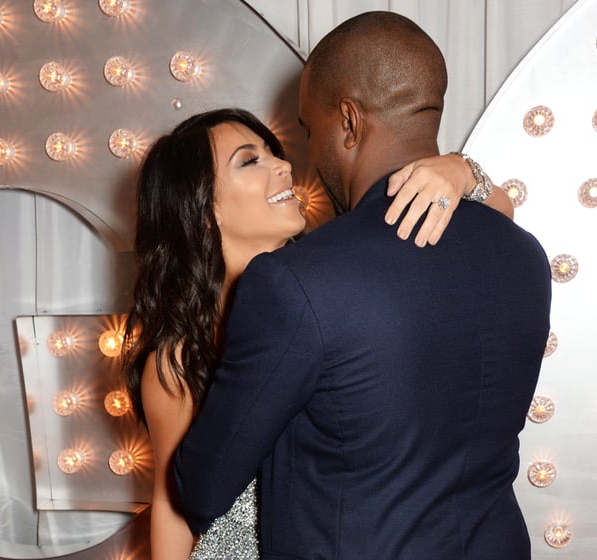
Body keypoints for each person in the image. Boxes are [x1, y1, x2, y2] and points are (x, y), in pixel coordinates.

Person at [173, 11, 551, 560]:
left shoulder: (297, 282)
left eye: (308, 129)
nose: (305, 154)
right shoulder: (524, 256)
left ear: (347, 121)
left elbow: (202, 488)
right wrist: (466, 172)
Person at [122, 107, 513, 559]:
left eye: (274, 153)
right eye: (250, 161)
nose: (284, 165)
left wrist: (461, 172)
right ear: (203, 208)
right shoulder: (178, 362)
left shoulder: (331, 285)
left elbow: (498, 218)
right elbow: (174, 513)